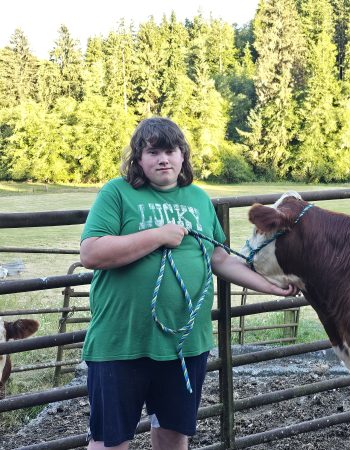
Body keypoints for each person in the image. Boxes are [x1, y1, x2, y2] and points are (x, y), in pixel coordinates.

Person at [79, 117, 297, 450]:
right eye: (153, 152)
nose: (163, 159)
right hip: (120, 343)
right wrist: (158, 235)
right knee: (109, 441)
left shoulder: (198, 198)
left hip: (184, 346)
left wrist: (269, 286)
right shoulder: (117, 193)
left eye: (170, 150)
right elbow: (92, 253)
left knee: (173, 437)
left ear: (183, 156)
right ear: (138, 158)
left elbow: (220, 259)